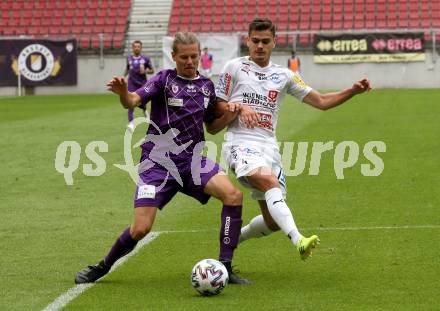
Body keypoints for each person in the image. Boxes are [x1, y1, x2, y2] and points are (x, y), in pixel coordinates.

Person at [75, 32, 250, 285]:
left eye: (194, 56)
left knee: (233, 196)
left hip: (192, 162)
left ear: (200, 55)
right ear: (174, 56)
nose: (190, 61)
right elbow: (133, 100)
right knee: (140, 229)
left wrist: (229, 117)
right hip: (157, 163)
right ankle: (102, 266)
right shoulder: (164, 80)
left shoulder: (206, 86)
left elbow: (211, 127)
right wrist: (124, 93)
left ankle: (225, 267)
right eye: (184, 57)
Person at [210, 18, 372, 261]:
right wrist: (240, 107)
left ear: (275, 42)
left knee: (272, 222)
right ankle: (298, 240)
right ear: (247, 41)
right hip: (240, 142)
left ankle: (236, 238)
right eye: (255, 41)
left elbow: (322, 102)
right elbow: (217, 103)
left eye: (266, 41)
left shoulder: (285, 75)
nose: (260, 46)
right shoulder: (234, 67)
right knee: (269, 183)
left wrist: (353, 91)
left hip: (268, 148)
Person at [124, 40, 154, 132]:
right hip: (131, 83)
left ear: (141, 48)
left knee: (142, 101)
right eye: (135, 46)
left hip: (142, 84)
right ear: (132, 48)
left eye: (138, 46)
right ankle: (131, 123)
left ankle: (145, 111)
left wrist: (145, 71)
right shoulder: (129, 58)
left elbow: (152, 70)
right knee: (130, 103)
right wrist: (123, 77)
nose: (136, 48)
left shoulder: (145, 59)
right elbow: (127, 68)